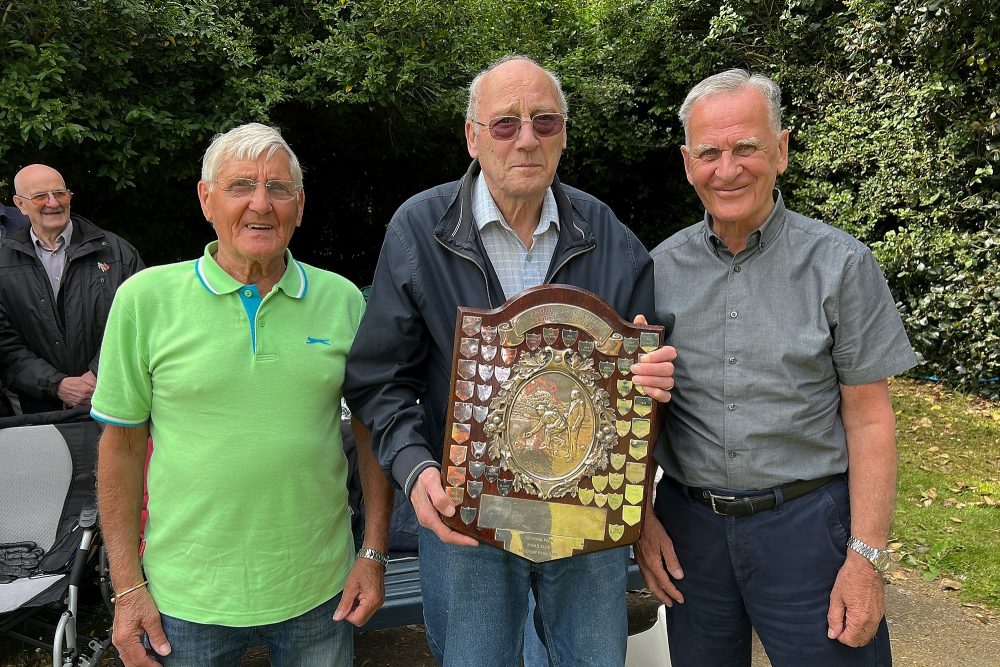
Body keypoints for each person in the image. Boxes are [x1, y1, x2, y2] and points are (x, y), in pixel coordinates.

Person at [344, 55, 677, 667]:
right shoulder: (420, 228)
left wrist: (653, 381)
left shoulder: (608, 234)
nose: (527, 138)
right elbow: (377, 379)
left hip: (587, 520)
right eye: (505, 123)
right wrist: (418, 470)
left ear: (563, 136)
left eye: (544, 121)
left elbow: (646, 379)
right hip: (466, 515)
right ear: (472, 137)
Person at [637, 69, 917, 666]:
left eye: (746, 147)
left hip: (808, 530)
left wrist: (866, 558)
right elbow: (645, 411)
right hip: (692, 535)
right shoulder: (657, 270)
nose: (727, 168)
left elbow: (870, 418)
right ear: (687, 163)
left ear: (782, 151)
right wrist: (642, 520)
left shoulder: (840, 265)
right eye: (709, 151)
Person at [91, 123, 392, 667]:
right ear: (206, 199)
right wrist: (127, 588)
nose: (261, 204)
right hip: (186, 596)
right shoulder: (145, 300)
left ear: (299, 206)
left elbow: (371, 431)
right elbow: (122, 449)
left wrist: (373, 552)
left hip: (320, 589)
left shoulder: (342, 299)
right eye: (240, 187)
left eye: (278, 189)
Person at [0, 165, 143, 414]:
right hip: (38, 413)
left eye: (60, 193)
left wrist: (96, 375)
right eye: (40, 196)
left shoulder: (117, 252)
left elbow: (141, 320)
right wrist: (56, 384)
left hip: (114, 402)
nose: (53, 203)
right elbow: (5, 344)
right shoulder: (3, 261)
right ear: (20, 204)